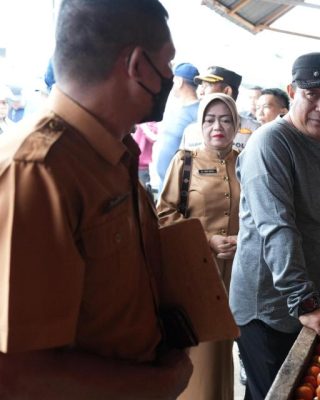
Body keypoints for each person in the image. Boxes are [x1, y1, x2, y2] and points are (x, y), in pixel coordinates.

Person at [0, 0, 192, 398]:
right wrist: (157, 385)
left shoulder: (112, 151)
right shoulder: (37, 170)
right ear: (138, 66)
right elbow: (16, 374)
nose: (171, 76)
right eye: (168, 62)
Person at [230, 52, 320, 399]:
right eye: (312, 95)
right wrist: (306, 304)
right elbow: (277, 228)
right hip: (267, 306)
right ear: (292, 91)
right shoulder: (270, 144)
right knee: (272, 392)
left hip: (303, 294)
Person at [157, 93, 240, 400]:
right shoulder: (186, 161)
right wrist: (207, 240)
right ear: (201, 124)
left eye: (226, 119)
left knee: (223, 350)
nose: (217, 125)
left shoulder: (245, 162)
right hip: (197, 273)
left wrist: (242, 241)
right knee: (200, 351)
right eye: (210, 119)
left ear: (236, 124)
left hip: (240, 274)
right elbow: (163, 213)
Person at [182, 66, 259, 151]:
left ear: (226, 91)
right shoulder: (191, 132)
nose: (201, 93)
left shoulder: (254, 131)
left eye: (206, 86)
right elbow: (185, 163)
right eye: (201, 87)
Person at [151, 62, 200, 192]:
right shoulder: (176, 108)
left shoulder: (198, 113)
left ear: (178, 81)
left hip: (178, 189)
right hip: (164, 184)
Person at [132, 121, 159, 188]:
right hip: (135, 162)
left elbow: (153, 137)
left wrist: (143, 125)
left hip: (142, 166)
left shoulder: (149, 124)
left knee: (143, 191)